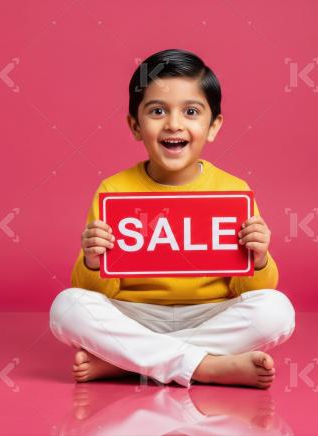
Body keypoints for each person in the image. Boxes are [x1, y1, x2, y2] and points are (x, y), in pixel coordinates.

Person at [49, 48, 295, 389]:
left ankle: (127, 362)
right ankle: (206, 366)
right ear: (135, 126)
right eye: (158, 111)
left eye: (191, 111)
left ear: (213, 126)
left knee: (276, 310)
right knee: (67, 308)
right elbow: (93, 290)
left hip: (210, 313)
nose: (174, 124)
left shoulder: (233, 190)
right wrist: (92, 261)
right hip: (135, 315)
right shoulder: (114, 189)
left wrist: (259, 257)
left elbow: (253, 289)